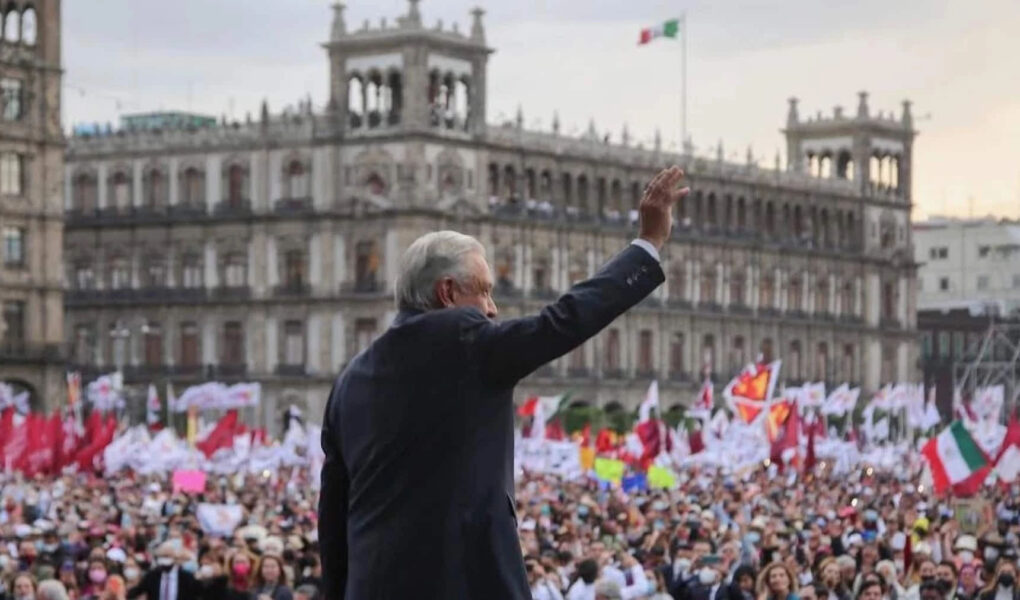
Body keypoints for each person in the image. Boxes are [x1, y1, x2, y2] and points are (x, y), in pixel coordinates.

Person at [318, 165, 688, 599]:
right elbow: (563, 320)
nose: (492, 309)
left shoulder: (349, 381)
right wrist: (647, 243)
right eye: (485, 291)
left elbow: (333, 517)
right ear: (447, 292)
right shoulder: (466, 343)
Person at [125, 542, 202, 600]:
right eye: (162, 556)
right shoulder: (152, 576)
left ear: (174, 557)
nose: (164, 560)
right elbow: (137, 591)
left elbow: (198, 594)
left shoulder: (186, 577)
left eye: (167, 556)